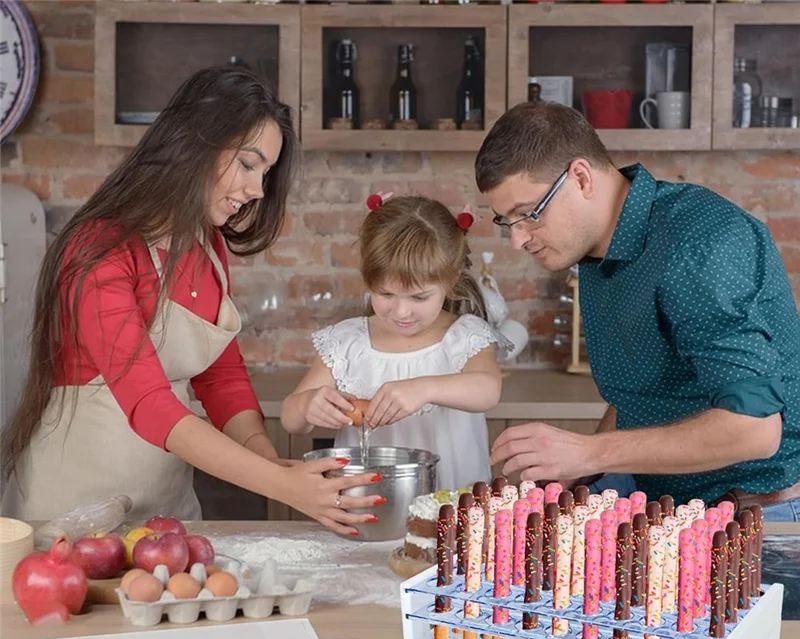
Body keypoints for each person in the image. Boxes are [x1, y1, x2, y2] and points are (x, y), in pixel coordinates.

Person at [0, 65, 381, 536]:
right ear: (195, 143)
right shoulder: (96, 249)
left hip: (165, 509)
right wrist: (282, 487)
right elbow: (150, 404)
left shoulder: (206, 245)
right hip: (72, 513)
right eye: (248, 164)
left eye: (266, 173)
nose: (257, 191)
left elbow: (220, 377)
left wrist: (269, 462)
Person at [475, 101, 800, 521]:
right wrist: (581, 469)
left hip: (755, 517)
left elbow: (754, 429)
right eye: (507, 222)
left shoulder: (699, 244)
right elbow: (645, 397)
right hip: (668, 507)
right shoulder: (597, 250)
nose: (518, 240)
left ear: (580, 177)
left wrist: (588, 452)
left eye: (528, 215)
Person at [281, 194, 508, 491]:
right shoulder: (348, 343)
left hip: (450, 502)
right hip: (366, 502)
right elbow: (290, 420)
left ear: (450, 281)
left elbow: (488, 389)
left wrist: (424, 388)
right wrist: (307, 406)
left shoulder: (465, 336)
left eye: (419, 297)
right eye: (386, 294)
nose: (401, 312)